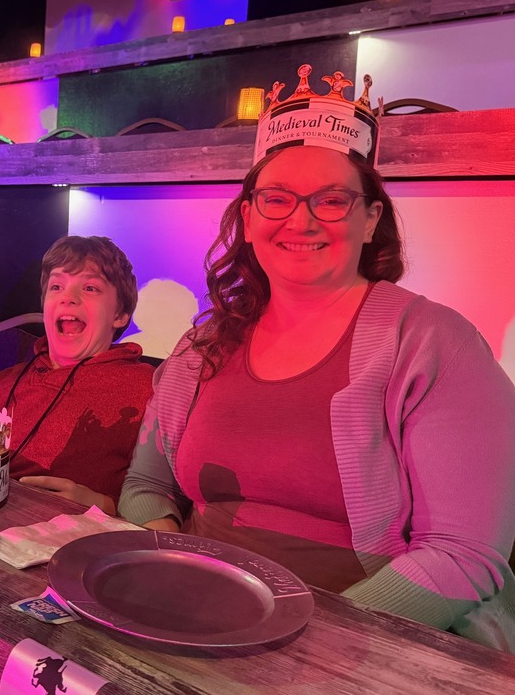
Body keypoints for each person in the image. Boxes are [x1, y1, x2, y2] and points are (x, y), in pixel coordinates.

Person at [119, 64, 515, 650]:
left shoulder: (436, 342)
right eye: (276, 198)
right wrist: (174, 564)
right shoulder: (203, 346)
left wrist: (301, 639)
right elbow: (145, 483)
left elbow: (463, 555)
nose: (300, 220)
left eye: (331, 200)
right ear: (249, 218)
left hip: (366, 648)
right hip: (198, 623)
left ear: (370, 219)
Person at [0, 236, 154, 515]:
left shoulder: (146, 388)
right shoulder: (5, 383)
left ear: (120, 314)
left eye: (90, 287)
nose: (68, 297)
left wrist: (103, 505)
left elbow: (164, 501)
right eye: (56, 286)